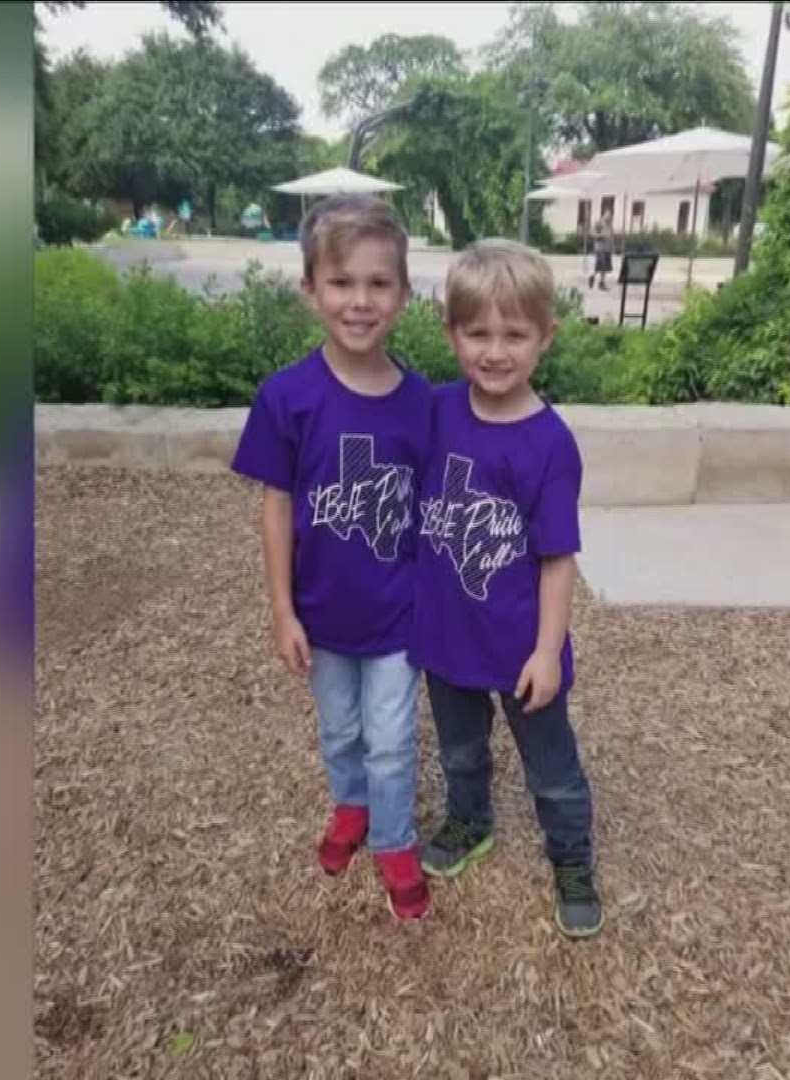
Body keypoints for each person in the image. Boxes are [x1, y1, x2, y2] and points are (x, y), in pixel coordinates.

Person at [229, 195, 434, 921]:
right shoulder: (286, 399)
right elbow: (276, 505)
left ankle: (394, 840)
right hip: (320, 614)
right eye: (342, 281)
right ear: (309, 289)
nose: (360, 300)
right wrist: (282, 609)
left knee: (391, 740)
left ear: (404, 295)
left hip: (397, 616)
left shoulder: (425, 406)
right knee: (340, 731)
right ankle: (349, 806)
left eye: (379, 283)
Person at [410, 240, 603, 939]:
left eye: (514, 334)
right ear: (450, 334)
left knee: (552, 768)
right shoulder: (432, 412)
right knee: (459, 750)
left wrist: (548, 652)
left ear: (545, 337)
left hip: (523, 649)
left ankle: (573, 858)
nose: (495, 351)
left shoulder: (550, 446)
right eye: (477, 333)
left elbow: (557, 559)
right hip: (443, 636)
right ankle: (470, 820)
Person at [589, 214, 614, 291]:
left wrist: (612, 247)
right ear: (604, 216)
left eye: (610, 218)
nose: (609, 219)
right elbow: (592, 234)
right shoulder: (598, 223)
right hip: (599, 249)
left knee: (604, 267)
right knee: (601, 265)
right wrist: (601, 235)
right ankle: (601, 283)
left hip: (607, 249)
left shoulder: (609, 225)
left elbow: (610, 236)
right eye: (608, 217)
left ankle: (594, 277)